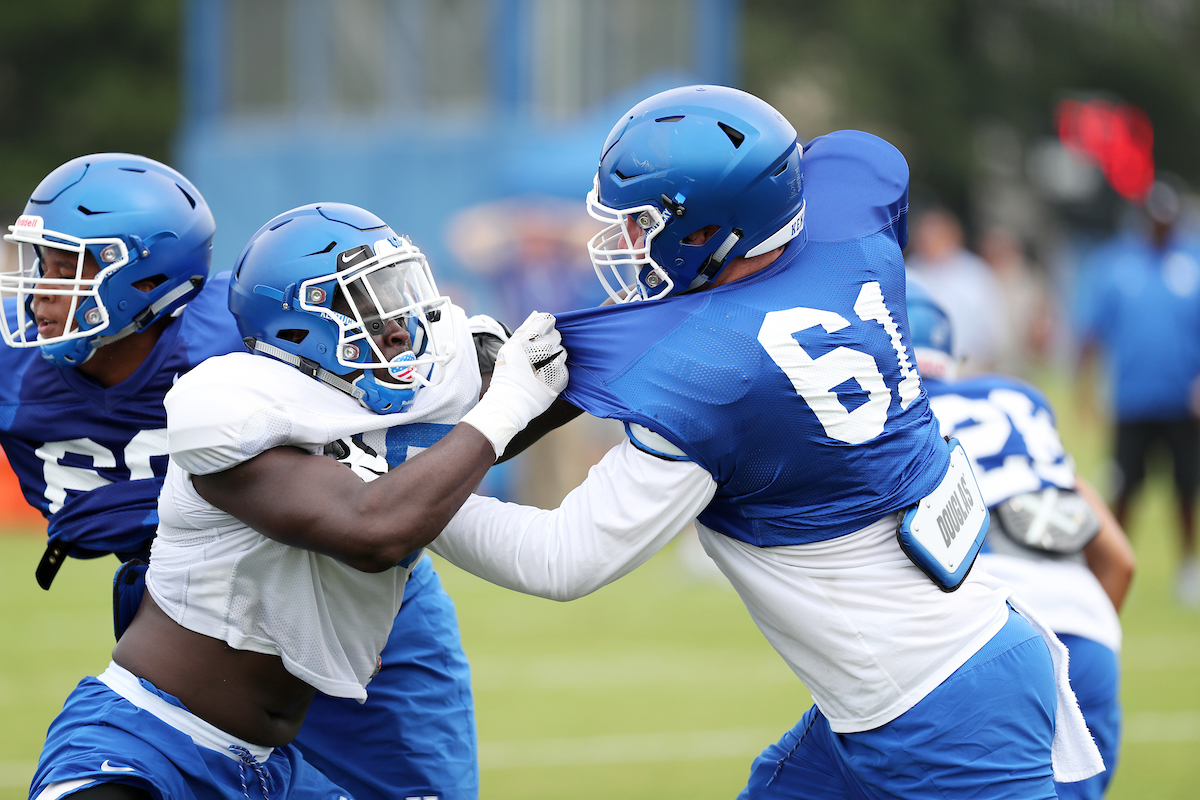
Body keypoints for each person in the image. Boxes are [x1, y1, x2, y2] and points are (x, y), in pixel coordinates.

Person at [427, 85, 1103, 798]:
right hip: (924, 676)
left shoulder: (711, 372)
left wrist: (411, 498)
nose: (624, 243)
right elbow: (850, 171)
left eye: (641, 223)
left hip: (945, 712)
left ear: (706, 232)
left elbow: (561, 558)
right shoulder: (852, 226)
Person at [0, 164, 526, 800]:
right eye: (43, 265)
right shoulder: (13, 362)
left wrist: (485, 364)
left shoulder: (252, 332)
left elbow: (414, 351)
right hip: (192, 618)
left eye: (67, 270)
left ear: (143, 279)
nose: (38, 293)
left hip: (351, 592)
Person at [908, 276, 1134, 799]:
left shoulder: (896, 423)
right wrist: (1074, 638)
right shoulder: (1021, 401)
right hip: (1087, 630)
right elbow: (1120, 560)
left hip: (982, 635)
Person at [1075, 179, 1200, 608]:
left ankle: (1189, 566)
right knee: (1125, 488)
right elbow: (1092, 332)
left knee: (1186, 488)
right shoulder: (1117, 264)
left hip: (1183, 401)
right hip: (1133, 400)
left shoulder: (1191, 262)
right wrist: (1084, 390)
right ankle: (1113, 560)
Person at [905, 206, 1008, 372]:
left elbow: (994, 329)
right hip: (920, 366)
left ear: (953, 235)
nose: (930, 241)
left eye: (937, 234)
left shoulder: (975, 273)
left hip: (970, 367)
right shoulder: (910, 273)